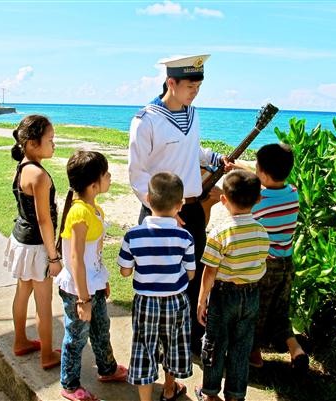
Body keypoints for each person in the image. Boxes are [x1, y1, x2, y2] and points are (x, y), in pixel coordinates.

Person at [128, 54, 234, 354]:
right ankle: (157, 341)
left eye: (198, 87)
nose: (195, 92)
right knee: (158, 280)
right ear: (170, 83)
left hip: (191, 209)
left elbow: (192, 148)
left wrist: (215, 160)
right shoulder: (146, 119)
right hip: (158, 212)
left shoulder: (192, 113)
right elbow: (137, 174)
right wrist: (160, 213)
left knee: (193, 273)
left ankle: (190, 338)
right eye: (191, 86)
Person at [54, 150, 127, 401]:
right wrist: (83, 300)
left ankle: (107, 369)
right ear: (93, 184)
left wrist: (102, 280)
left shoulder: (94, 209)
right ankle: (70, 385)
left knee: (101, 328)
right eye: (106, 174)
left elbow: (92, 254)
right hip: (78, 289)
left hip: (92, 284)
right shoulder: (79, 213)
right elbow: (75, 259)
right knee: (76, 337)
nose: (110, 177)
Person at [118, 172, 196, 401]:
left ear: (148, 200)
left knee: (144, 347)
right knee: (174, 342)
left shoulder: (133, 235)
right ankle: (170, 388)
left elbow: (124, 271)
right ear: (180, 205)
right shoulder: (185, 237)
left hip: (145, 301)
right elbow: (191, 274)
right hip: (176, 301)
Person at [195, 170, 270, 401]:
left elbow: (209, 271)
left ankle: (210, 393)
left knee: (215, 344)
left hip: (223, 295)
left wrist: (201, 301)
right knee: (241, 347)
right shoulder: (261, 231)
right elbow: (261, 263)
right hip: (251, 295)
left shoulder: (220, 233)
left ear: (223, 200)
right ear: (258, 200)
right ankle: (235, 394)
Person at [3, 114, 62, 370]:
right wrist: (53, 257)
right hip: (37, 246)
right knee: (43, 301)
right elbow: (44, 220)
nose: (53, 144)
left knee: (22, 292)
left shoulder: (22, 167)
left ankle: (20, 340)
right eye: (50, 139)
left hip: (21, 239)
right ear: (31, 143)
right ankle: (47, 354)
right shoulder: (39, 176)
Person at [247, 143, 309, 372]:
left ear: (261, 172)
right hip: (286, 262)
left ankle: (254, 356)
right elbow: (267, 179)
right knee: (280, 311)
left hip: (266, 265)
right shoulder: (293, 192)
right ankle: (296, 350)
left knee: (258, 311)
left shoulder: (258, 200)